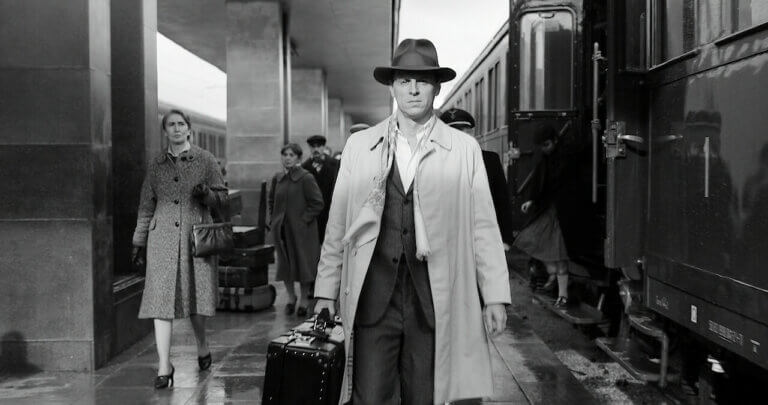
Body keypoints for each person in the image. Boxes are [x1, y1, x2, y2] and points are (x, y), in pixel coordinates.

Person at [313, 38, 511, 404]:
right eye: (405, 80)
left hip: (434, 299)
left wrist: (495, 295)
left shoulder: (463, 150)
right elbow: (338, 222)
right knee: (369, 396)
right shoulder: (361, 146)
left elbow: (483, 226)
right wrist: (326, 288)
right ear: (393, 87)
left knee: (427, 395)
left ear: (437, 87)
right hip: (374, 296)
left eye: (422, 80)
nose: (414, 89)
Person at [131, 109, 227, 389]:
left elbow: (222, 199)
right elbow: (146, 204)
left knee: (196, 301)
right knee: (161, 303)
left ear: (188, 129)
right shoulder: (156, 164)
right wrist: (139, 241)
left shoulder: (206, 160)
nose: (175, 129)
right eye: (170, 125)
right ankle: (164, 366)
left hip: (194, 238)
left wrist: (206, 195)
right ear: (165, 130)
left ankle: (202, 344)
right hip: (161, 241)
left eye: (180, 124)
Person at [511, 123, 570, 307]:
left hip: (561, 213)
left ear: (554, 141)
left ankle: (562, 292)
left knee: (558, 254)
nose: (545, 149)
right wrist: (532, 200)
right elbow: (540, 184)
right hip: (549, 211)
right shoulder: (546, 159)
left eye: (547, 145)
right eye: (542, 146)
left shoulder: (565, 157)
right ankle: (555, 278)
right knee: (541, 244)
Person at [440, 107, 515, 248]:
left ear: (471, 134)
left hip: (483, 238)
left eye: (465, 132)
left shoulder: (490, 160)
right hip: (448, 239)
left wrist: (505, 239)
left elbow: (502, 201)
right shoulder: (435, 161)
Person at [269, 143, 325, 317]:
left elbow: (318, 203)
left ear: (299, 158)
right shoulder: (277, 178)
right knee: (285, 265)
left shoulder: (306, 178)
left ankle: (303, 300)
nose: (287, 158)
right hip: (282, 230)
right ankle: (291, 298)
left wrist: (303, 221)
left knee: (303, 265)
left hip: (302, 232)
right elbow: (272, 201)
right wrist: (274, 219)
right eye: (285, 154)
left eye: (292, 155)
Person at [302, 135, 340, 245]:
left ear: (324, 147)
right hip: (313, 216)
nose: (315, 150)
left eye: (319, 146)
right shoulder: (305, 167)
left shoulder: (336, 164)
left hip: (331, 212)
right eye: (312, 147)